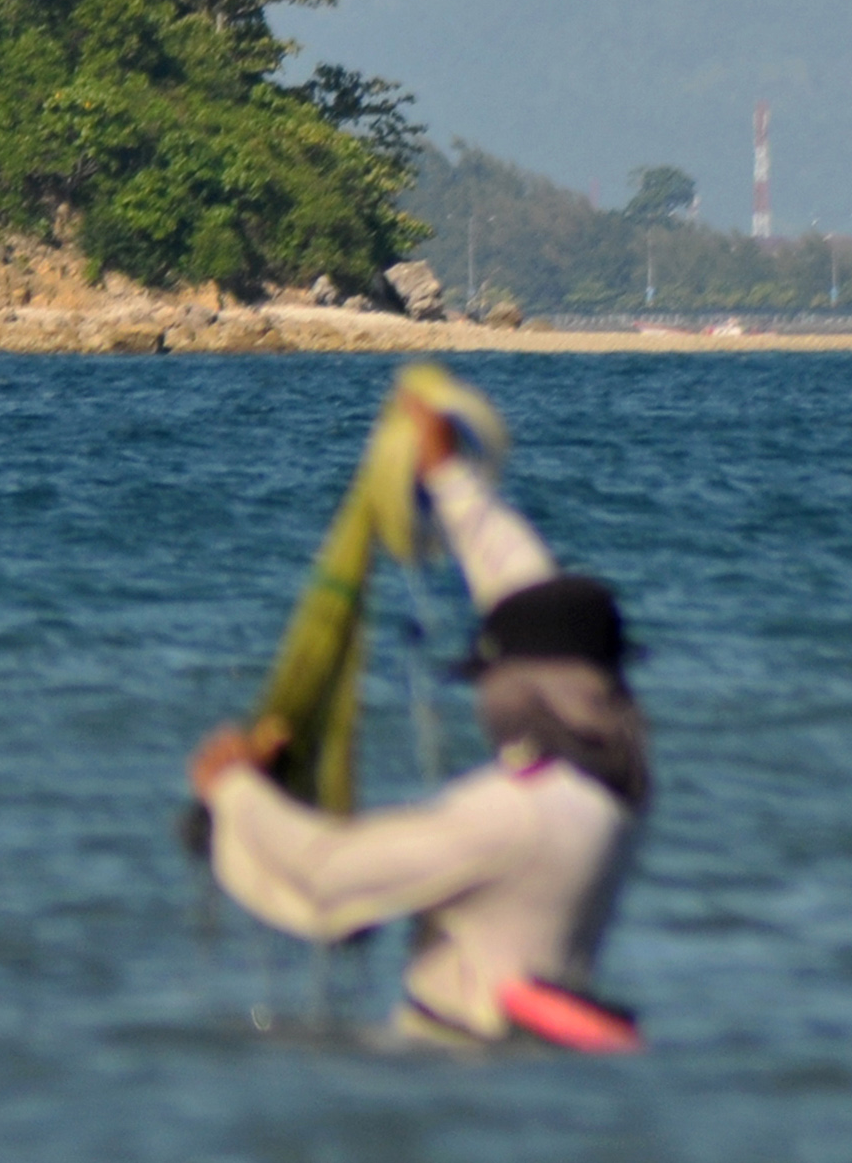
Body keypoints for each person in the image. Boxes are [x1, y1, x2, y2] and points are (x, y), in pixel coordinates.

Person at [185, 404, 652, 1049]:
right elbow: (534, 602)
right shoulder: (616, 777)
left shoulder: (517, 815)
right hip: (532, 1064)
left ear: (519, 689)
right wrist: (452, 479)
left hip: (453, 1068)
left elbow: (329, 876)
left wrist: (233, 789)